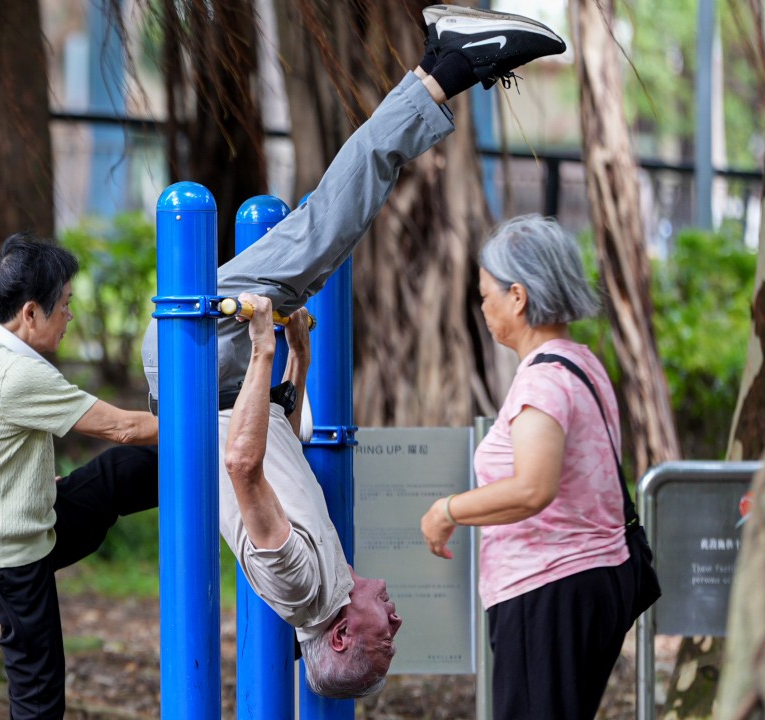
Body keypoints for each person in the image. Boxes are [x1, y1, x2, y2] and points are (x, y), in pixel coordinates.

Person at [141, 5, 568, 699]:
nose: (397, 619)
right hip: (217, 382)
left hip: (199, 359)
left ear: (341, 636)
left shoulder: (303, 586)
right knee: (321, 237)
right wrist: (297, 366)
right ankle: (441, 69)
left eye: (384, 633)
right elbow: (275, 449)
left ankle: (445, 67)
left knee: (320, 233)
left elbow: (242, 466)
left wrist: (259, 350)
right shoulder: (326, 585)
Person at [0, 234, 159, 719]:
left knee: (110, 479)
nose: (69, 317)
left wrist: (13, 487)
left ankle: (205, 474)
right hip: (8, 554)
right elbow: (125, 427)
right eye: (63, 306)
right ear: (30, 313)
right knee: (38, 692)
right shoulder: (15, 374)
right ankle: (220, 456)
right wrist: (223, 423)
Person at [419, 215, 640, 719]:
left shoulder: (542, 381)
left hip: (549, 588)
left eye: (485, 294)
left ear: (517, 296)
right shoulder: (581, 363)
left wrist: (448, 510)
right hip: (588, 579)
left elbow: (532, 489)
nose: (483, 307)